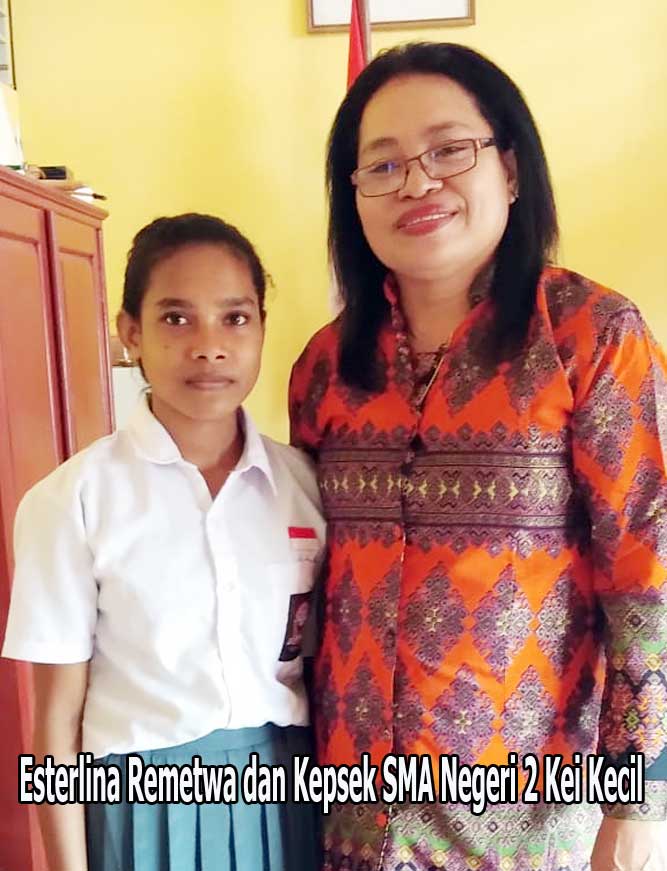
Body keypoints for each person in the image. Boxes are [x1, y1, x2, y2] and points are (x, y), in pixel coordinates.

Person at [289, 42, 667, 871]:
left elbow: (648, 580)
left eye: (447, 150)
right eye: (381, 165)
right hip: (348, 817)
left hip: (525, 824)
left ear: (512, 169)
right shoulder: (325, 366)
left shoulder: (591, 336)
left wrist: (638, 800)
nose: (416, 183)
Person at [2, 213, 324, 871]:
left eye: (234, 318)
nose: (209, 346)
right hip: (141, 811)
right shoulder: (73, 500)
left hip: (286, 798)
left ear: (261, 328)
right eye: (177, 318)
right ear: (131, 333)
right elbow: (56, 723)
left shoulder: (305, 486)